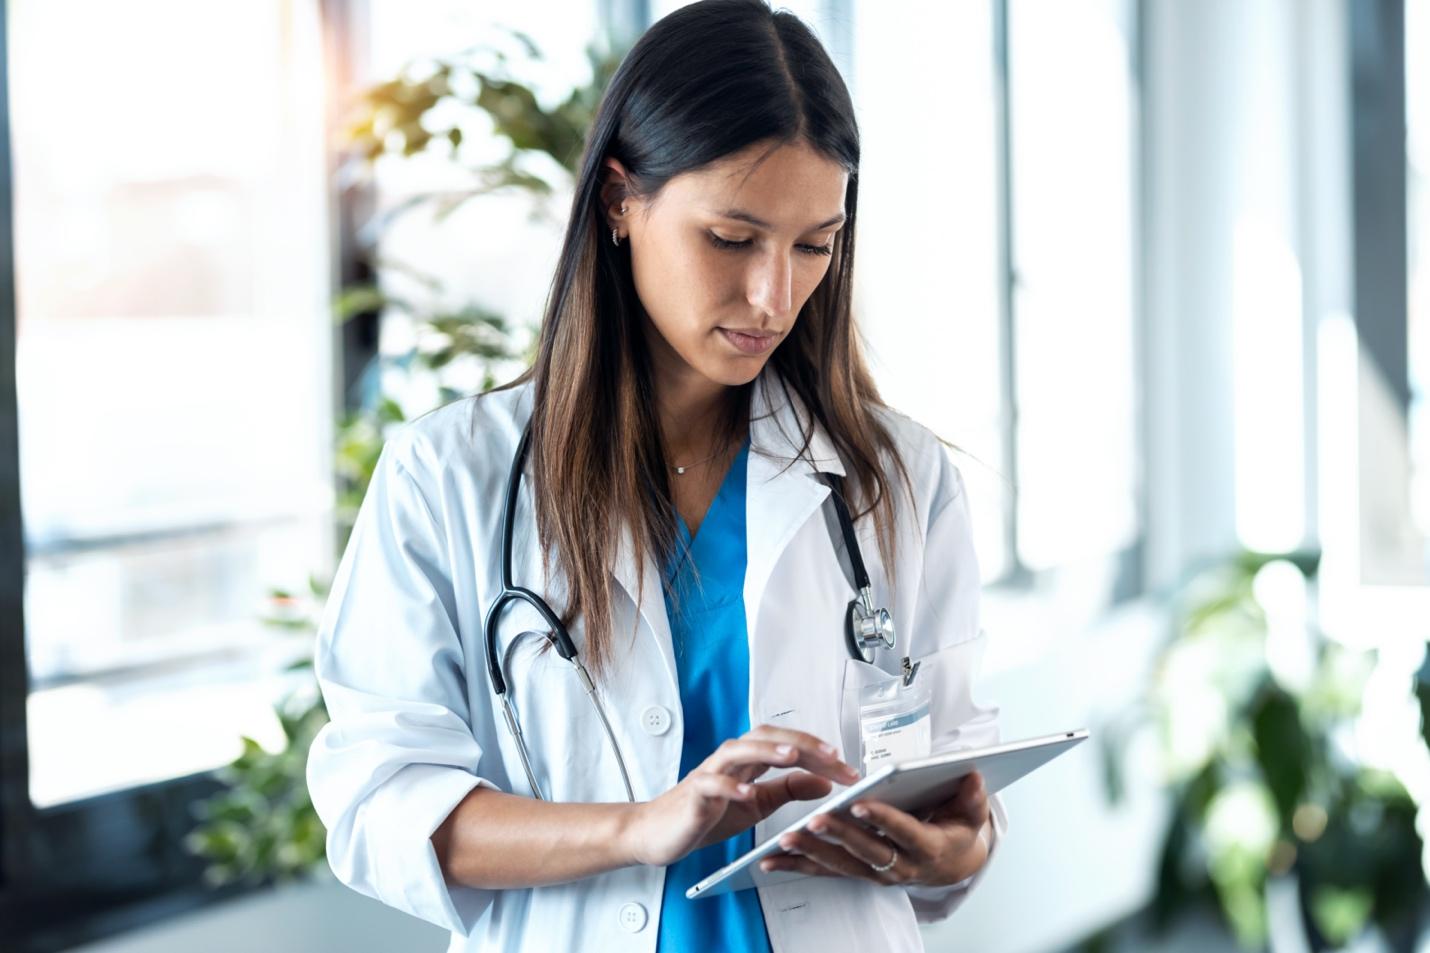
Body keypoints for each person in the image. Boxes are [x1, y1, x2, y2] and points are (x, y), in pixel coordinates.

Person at [305, 1, 1008, 950]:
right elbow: (377, 802)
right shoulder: (447, 477)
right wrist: (640, 826)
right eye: (731, 238)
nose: (775, 295)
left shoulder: (900, 479)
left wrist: (947, 853)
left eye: (814, 245)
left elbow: (959, 790)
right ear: (619, 201)